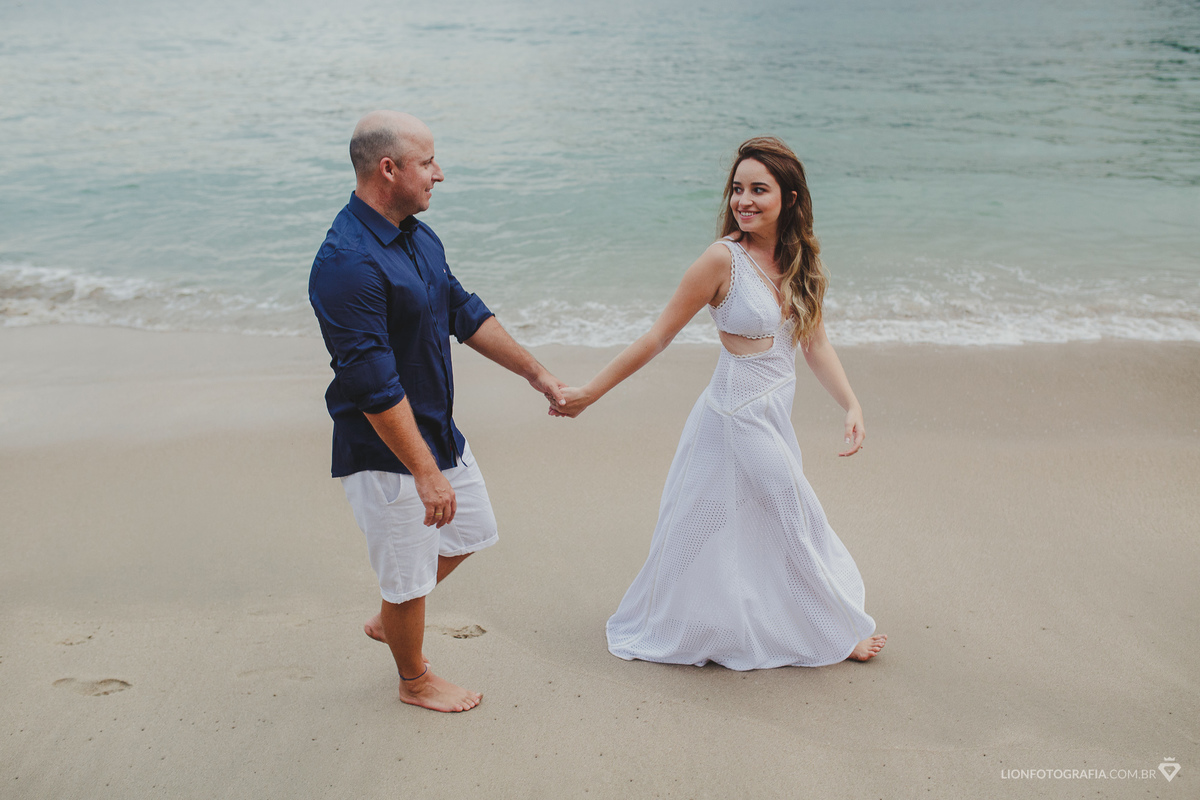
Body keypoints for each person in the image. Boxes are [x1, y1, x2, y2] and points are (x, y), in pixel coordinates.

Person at [553, 137, 886, 670]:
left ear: (790, 198)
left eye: (758, 190)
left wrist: (851, 404)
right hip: (735, 414)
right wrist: (590, 393)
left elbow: (815, 343)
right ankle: (834, 632)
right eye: (737, 189)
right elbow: (657, 336)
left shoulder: (799, 261)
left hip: (772, 414)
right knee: (792, 512)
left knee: (709, 520)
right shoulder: (721, 260)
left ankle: (705, 613)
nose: (743, 201)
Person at [309, 111, 566, 712]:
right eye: (427, 163)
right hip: (386, 449)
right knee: (407, 576)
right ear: (388, 169)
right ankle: (414, 679)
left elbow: (462, 309)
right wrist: (424, 472)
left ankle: (392, 619)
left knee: (473, 529)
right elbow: (372, 385)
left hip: (436, 428)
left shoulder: (416, 236)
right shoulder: (346, 263)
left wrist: (535, 372)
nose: (439, 174)